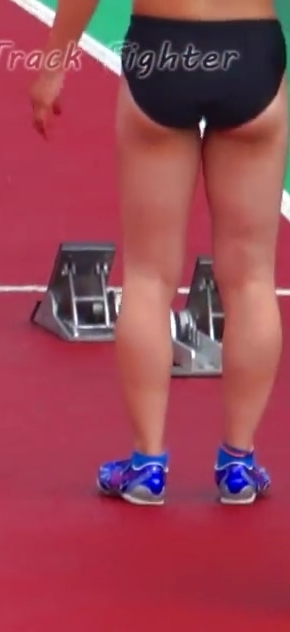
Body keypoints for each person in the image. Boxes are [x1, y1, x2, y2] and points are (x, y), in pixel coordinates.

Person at [31, 0, 282, 504]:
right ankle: (238, 463)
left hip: (161, 52)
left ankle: (147, 465)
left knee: (148, 274)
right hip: (251, 52)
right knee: (251, 277)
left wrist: (52, 67)